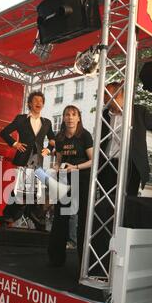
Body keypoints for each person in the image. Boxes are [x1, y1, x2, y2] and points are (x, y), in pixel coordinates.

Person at [91, 81, 152, 276]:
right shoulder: (103, 115)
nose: (109, 101)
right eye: (106, 97)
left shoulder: (139, 112)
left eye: (113, 96)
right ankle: (104, 254)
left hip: (130, 167)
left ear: (123, 96)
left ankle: (123, 256)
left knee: (126, 209)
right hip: (108, 167)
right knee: (106, 210)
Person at [0, 90, 55, 230]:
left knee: (36, 191)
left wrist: (48, 149)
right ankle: (11, 216)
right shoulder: (21, 119)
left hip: (38, 161)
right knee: (20, 189)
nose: (38, 103)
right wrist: (15, 144)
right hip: (24, 160)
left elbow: (53, 140)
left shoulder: (46, 122)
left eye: (41, 101)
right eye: (35, 101)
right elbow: (4, 132)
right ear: (29, 103)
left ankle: (30, 216)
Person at [48, 105, 93, 267]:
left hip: (82, 179)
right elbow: (59, 162)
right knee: (60, 218)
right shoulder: (60, 138)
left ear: (78, 118)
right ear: (64, 118)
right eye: (67, 115)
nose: (70, 118)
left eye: (73, 114)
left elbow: (93, 160)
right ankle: (56, 258)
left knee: (82, 218)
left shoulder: (85, 136)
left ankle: (84, 262)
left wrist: (76, 167)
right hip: (65, 181)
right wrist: (56, 168)